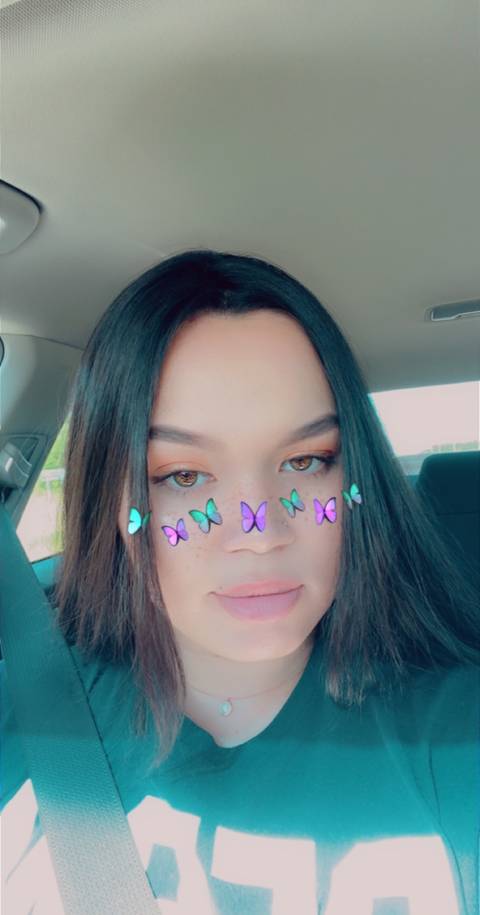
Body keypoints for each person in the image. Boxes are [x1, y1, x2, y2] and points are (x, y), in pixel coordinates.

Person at [2, 249, 479, 914]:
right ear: (108, 501)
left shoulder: (458, 735)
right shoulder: (21, 708)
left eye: (306, 460)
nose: (261, 531)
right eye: (183, 475)